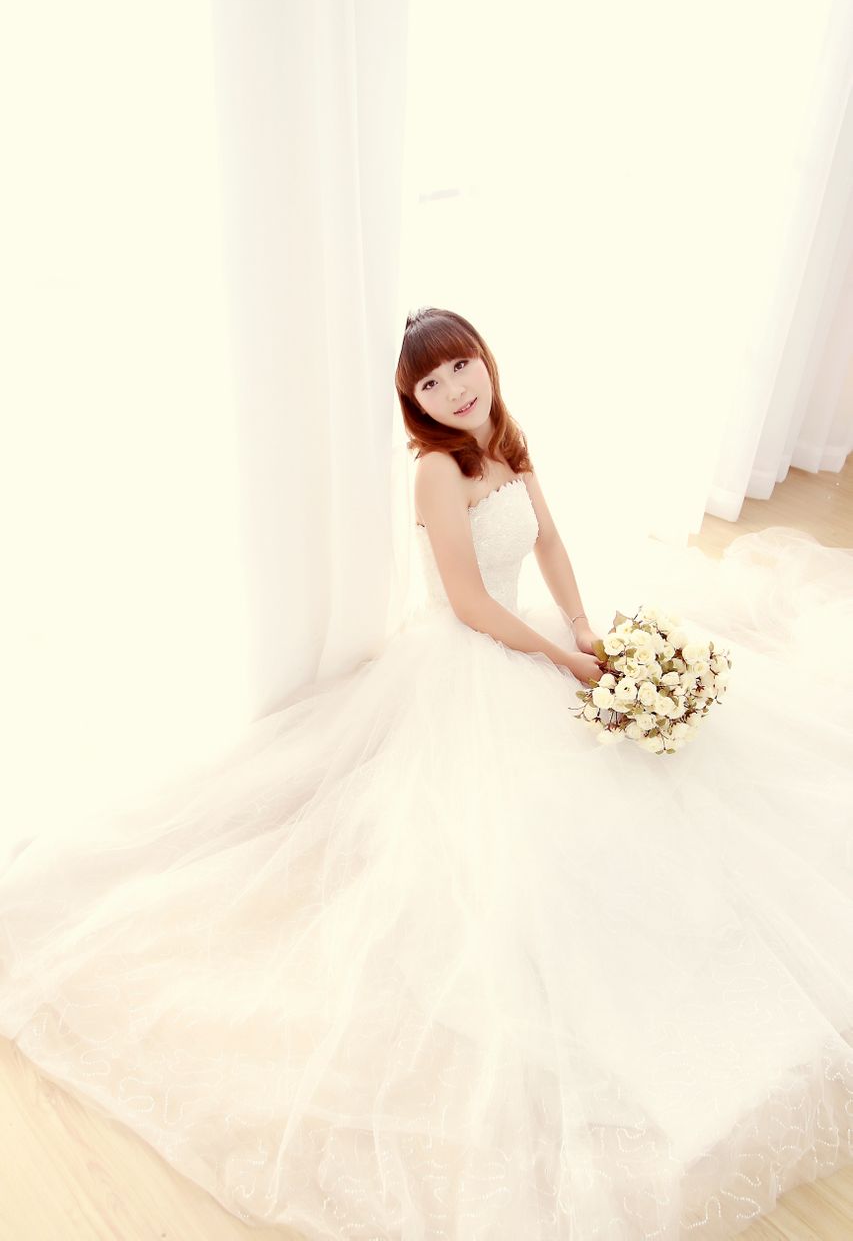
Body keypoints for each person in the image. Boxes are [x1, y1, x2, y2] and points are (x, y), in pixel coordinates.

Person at [1, 305, 852, 1241]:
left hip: (534, 636)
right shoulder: (436, 471)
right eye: (430, 384)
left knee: (658, 782)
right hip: (476, 653)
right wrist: (562, 662)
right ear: (413, 402)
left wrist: (583, 627)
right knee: (531, 835)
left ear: (484, 359)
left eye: (460, 367)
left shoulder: (505, 439)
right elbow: (469, 602)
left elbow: (549, 542)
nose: (453, 391)